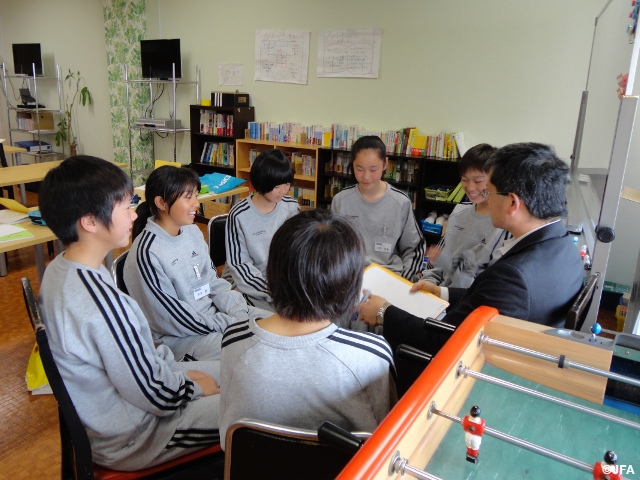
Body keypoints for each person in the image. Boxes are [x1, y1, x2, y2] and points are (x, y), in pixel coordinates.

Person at [38, 156, 220, 471]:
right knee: (254, 403)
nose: (135, 214)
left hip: (130, 402)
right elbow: (155, 395)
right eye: (125, 207)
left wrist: (179, 374)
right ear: (90, 221)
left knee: (233, 368)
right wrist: (191, 386)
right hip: (138, 434)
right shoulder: (98, 302)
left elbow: (139, 363)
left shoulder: (62, 269)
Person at [360, 142, 584, 356]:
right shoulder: (563, 246)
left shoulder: (512, 276)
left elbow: (443, 339)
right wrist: (441, 291)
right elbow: (486, 298)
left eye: (490, 191)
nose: (479, 194)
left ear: (513, 203)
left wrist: (384, 313)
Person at [218, 209, 398, 450]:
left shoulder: (234, 341)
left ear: (273, 272)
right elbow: (384, 445)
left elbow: (226, 439)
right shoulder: (372, 356)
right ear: (349, 282)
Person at [124, 166, 270, 365]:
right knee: (259, 353)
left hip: (217, 319)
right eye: (188, 197)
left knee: (280, 328)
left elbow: (212, 281)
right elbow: (174, 319)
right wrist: (230, 323)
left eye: (195, 195)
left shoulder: (191, 232)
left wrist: (237, 310)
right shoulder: (148, 253)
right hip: (184, 338)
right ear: (161, 203)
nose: (196, 204)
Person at [331, 135, 425, 280]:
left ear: (385, 164)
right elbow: (332, 245)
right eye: (359, 169)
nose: (366, 177)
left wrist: (405, 281)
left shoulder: (400, 202)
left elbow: (413, 248)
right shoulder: (341, 200)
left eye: (373, 169)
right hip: (350, 276)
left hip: (389, 276)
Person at [421, 143, 511, 288]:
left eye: (478, 181)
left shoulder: (504, 225)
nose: (470, 187)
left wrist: (446, 264)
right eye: (464, 180)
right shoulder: (459, 212)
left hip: (467, 300)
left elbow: (486, 284)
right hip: (440, 294)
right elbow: (436, 269)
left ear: (496, 179)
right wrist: (425, 284)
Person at [223, 149, 300, 309]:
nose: (283, 190)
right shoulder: (239, 215)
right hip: (246, 282)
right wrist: (275, 292)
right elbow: (241, 267)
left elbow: (297, 251)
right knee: (284, 317)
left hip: (280, 280)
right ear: (262, 181)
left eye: (287, 183)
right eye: (277, 185)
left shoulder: (291, 207)